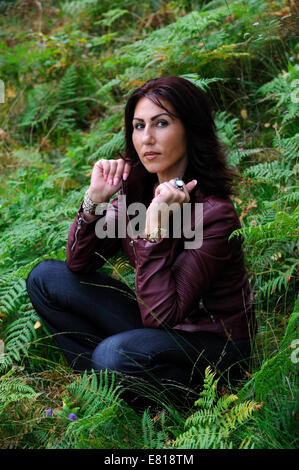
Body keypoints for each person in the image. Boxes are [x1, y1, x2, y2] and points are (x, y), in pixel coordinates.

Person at [26, 76, 256, 410]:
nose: (146, 138)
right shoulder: (135, 190)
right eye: (138, 125)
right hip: (157, 324)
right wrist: (94, 201)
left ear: (190, 129)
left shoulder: (214, 214)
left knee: (113, 355)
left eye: (161, 124)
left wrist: (154, 230)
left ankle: (174, 404)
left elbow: (162, 316)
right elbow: (80, 264)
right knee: (47, 278)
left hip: (215, 346)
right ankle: (102, 392)